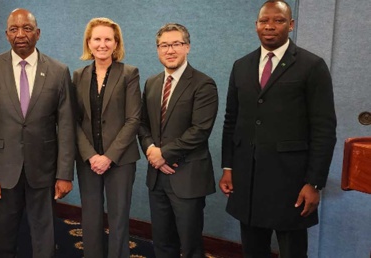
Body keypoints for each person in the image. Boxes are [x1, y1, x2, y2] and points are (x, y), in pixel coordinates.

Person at [219, 1, 337, 257]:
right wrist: (228, 167)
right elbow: (232, 119)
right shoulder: (242, 65)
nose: (270, 26)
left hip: (291, 182)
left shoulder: (311, 65)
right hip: (247, 178)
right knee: (253, 250)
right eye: (264, 21)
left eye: (279, 20)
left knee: (293, 251)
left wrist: (314, 183)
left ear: (291, 25)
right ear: (256, 26)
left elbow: (324, 129)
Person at [0, 8, 75, 258]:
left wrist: (64, 174)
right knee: (3, 236)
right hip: (3, 169)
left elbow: (67, 125)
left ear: (37, 34)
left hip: (44, 169)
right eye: (14, 29)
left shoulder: (59, 71)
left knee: (45, 237)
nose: (21, 34)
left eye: (27, 28)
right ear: (6, 34)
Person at [137, 23, 218, 258]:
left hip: (188, 177)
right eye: (164, 45)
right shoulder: (152, 83)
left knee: (191, 247)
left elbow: (200, 130)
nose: (170, 50)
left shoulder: (203, 84)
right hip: (157, 177)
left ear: (187, 47)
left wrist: (164, 154)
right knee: (162, 244)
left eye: (176, 44)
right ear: (158, 49)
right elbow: (142, 123)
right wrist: (152, 151)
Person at [72, 17, 140, 258]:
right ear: (89, 43)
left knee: (119, 217)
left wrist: (109, 157)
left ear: (116, 43)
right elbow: (74, 121)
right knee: (90, 218)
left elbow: (133, 119)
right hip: (87, 159)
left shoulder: (129, 73)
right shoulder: (78, 76)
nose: (102, 44)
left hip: (120, 160)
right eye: (97, 39)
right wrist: (90, 155)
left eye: (107, 39)